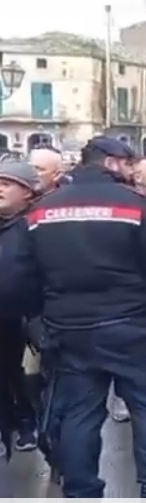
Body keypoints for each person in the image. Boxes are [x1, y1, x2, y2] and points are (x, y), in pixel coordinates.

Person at [9, 136, 146, 498]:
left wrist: (37, 322)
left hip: (70, 330)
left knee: (79, 414)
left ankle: (81, 491)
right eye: (127, 163)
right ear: (110, 163)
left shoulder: (41, 211)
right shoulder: (138, 207)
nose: (131, 170)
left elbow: (23, 274)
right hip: (133, 326)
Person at [0, 162, 42, 453]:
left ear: (27, 191)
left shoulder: (37, 225)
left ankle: (29, 423)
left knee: (23, 376)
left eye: (7, 183)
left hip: (29, 318)